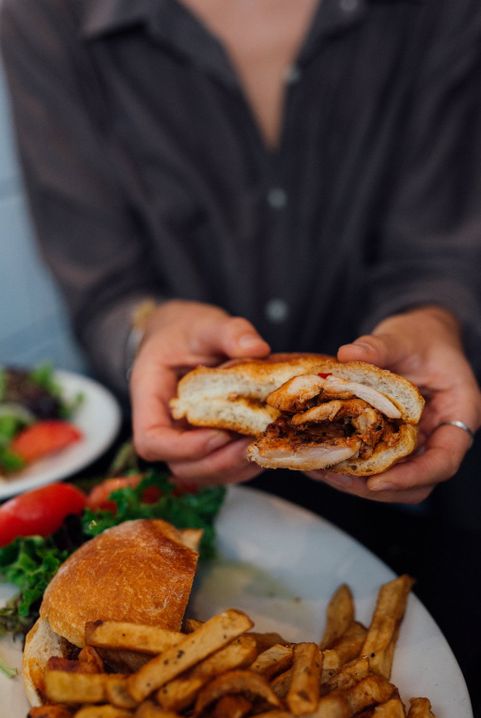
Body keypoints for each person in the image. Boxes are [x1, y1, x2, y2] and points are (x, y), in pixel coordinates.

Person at [1, 0, 481, 506]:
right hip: (171, 486)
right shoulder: (44, 12)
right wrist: (146, 330)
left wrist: (435, 320)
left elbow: (438, 252)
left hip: (427, 482)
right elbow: (104, 287)